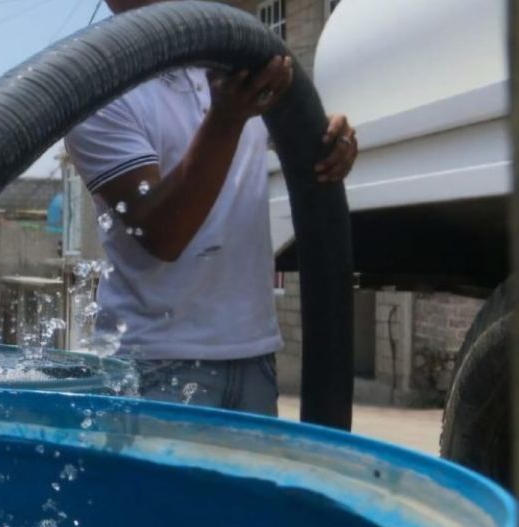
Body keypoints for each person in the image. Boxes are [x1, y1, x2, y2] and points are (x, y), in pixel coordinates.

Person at [64, 0, 359, 416]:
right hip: (155, 364)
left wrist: (330, 140)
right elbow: (161, 233)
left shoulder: (231, 65)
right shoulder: (99, 90)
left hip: (253, 355)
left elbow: (297, 143)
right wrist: (225, 120)